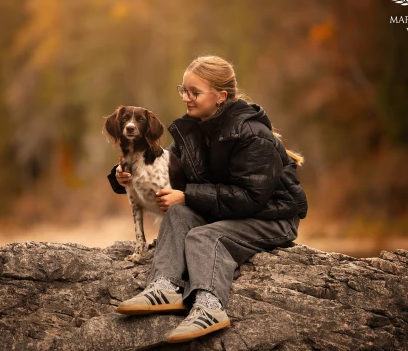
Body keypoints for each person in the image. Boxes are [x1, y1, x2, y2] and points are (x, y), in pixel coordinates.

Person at [106, 55, 308, 343]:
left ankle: (210, 307)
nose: (186, 98)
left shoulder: (253, 135)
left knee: (204, 236)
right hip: (229, 211)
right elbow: (160, 166)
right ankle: (164, 287)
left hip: (271, 217)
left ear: (220, 96)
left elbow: (250, 198)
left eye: (194, 92)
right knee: (176, 214)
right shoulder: (194, 129)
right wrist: (118, 176)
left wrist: (187, 195)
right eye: (183, 90)